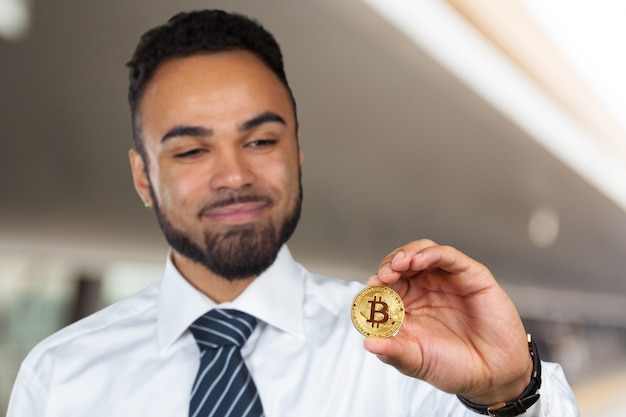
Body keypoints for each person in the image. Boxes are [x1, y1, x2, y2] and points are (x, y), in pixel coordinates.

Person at [7, 9, 579, 417]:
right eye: (190, 150)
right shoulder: (59, 376)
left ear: (297, 153)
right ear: (142, 177)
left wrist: (509, 390)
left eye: (260, 141)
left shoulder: (410, 358)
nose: (234, 175)